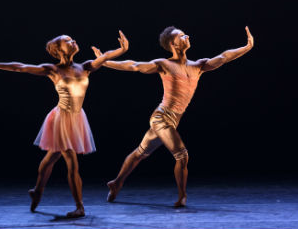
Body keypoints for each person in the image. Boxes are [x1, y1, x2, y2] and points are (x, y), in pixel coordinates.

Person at [92, 26, 254, 207]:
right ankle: (182, 196)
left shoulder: (198, 66)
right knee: (182, 155)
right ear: (172, 43)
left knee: (140, 153)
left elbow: (223, 57)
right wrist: (105, 61)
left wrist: (246, 47)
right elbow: (134, 65)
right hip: (161, 118)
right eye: (182, 36)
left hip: (174, 120)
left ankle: (116, 183)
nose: (187, 36)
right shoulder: (164, 64)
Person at [0, 31, 129, 217]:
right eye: (67, 40)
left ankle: (37, 190)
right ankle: (79, 206)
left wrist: (122, 49)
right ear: (58, 50)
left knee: (51, 157)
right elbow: (21, 67)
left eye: (72, 38)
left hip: (77, 118)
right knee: (71, 161)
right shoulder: (53, 70)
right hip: (61, 118)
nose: (73, 40)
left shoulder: (86, 66)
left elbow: (104, 57)